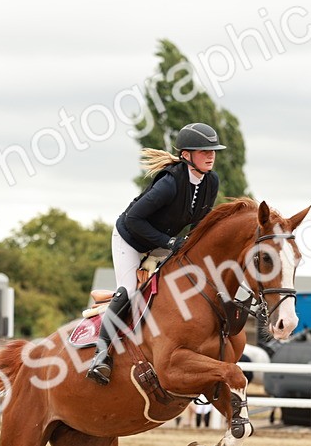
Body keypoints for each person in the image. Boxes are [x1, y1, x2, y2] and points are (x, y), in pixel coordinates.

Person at [87, 122, 226, 385]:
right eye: (203, 151)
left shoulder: (211, 181)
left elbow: (200, 224)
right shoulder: (170, 183)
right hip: (130, 238)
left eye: (213, 151)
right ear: (186, 155)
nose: (211, 156)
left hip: (162, 244)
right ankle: (101, 355)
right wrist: (171, 242)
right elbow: (133, 219)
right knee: (128, 291)